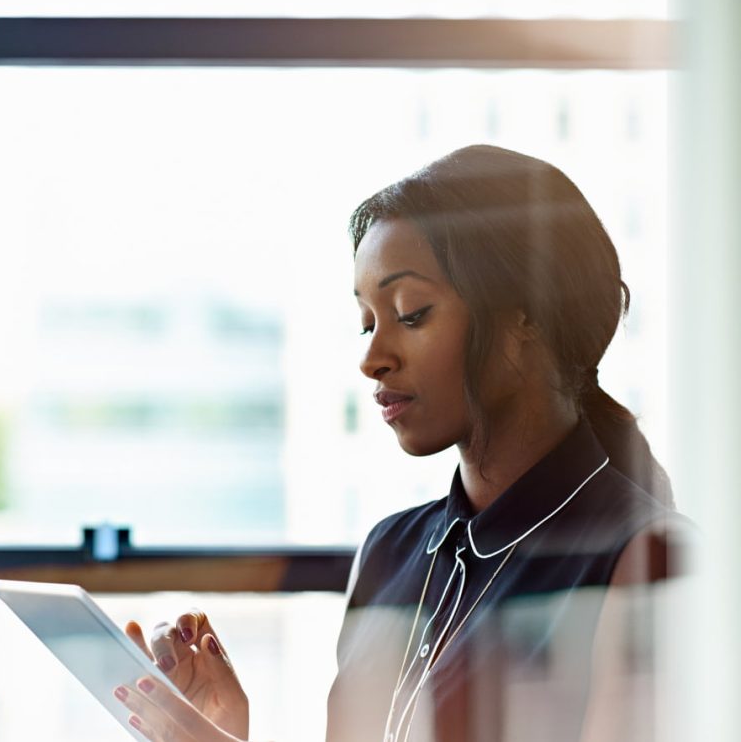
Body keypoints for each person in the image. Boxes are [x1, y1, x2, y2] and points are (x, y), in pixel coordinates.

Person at [111, 145, 692, 742]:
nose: (371, 359)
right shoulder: (389, 551)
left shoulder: (653, 560)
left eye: (410, 313)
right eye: (367, 322)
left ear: (528, 319)